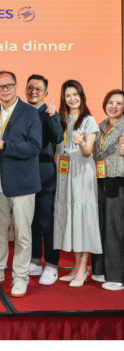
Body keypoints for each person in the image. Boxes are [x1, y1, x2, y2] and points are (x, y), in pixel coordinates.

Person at [0, 71, 42, 298]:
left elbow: (35, 146)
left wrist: (6, 145)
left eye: (8, 85)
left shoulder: (31, 112)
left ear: (16, 86)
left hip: (23, 182)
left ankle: (21, 277)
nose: (4, 90)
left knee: (22, 234)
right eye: (0, 87)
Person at [54, 80, 102, 287]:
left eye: (75, 94)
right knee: (71, 217)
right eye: (68, 95)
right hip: (65, 173)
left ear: (81, 96)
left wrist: (82, 143)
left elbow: (87, 151)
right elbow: (59, 149)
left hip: (82, 172)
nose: (72, 98)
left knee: (83, 217)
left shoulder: (88, 120)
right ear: (63, 98)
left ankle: (83, 267)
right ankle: (75, 268)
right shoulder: (63, 120)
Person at [25, 75, 64, 285]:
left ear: (45, 93)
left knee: (46, 222)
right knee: (30, 222)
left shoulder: (50, 113)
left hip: (45, 175)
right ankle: (34, 260)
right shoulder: (21, 112)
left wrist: (53, 117)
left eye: (38, 89)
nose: (33, 92)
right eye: (30, 88)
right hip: (24, 175)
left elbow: (58, 137)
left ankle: (51, 264)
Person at [92, 90, 124, 290]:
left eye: (119, 103)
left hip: (118, 179)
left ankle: (117, 277)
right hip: (100, 178)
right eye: (111, 102)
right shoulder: (101, 125)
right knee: (101, 224)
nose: (114, 106)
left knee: (115, 228)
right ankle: (101, 269)